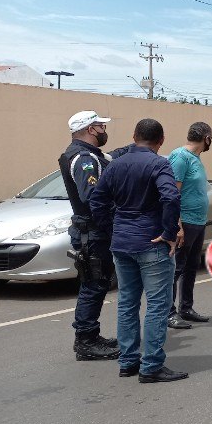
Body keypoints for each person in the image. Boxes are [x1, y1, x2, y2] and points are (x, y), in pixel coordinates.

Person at [90, 118, 187, 383]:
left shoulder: (115, 165)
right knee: (157, 305)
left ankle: (128, 361)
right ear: (161, 140)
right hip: (151, 243)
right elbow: (170, 196)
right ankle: (152, 365)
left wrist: (113, 228)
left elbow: (97, 201)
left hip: (122, 243)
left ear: (134, 136)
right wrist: (168, 233)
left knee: (127, 303)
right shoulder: (159, 163)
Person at [58, 110, 128, 361]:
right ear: (90, 129)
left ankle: (91, 335)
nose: (104, 130)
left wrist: (135, 146)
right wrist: (112, 224)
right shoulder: (85, 158)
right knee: (94, 285)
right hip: (93, 232)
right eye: (100, 126)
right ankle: (85, 341)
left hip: (92, 231)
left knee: (96, 284)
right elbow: (93, 197)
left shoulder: (85, 154)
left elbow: (111, 157)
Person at [166, 122, 212, 330]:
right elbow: (172, 193)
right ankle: (169, 312)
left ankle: (186, 308)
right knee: (176, 268)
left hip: (198, 221)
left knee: (191, 266)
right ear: (206, 138)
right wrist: (177, 225)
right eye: (211, 139)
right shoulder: (180, 157)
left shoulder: (195, 158)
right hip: (184, 221)